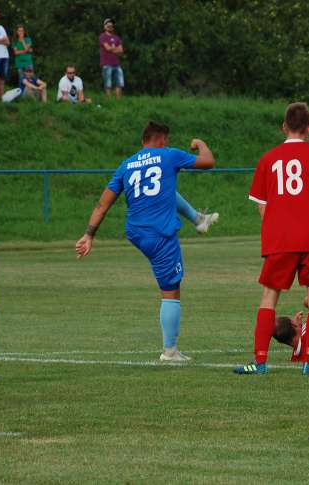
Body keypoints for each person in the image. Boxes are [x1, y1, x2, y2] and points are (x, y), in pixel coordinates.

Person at [75, 121, 215, 361]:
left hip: (137, 233)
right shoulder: (168, 155)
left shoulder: (126, 165)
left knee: (167, 191)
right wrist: (200, 144)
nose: (167, 144)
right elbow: (208, 162)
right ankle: (170, 351)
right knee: (171, 291)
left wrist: (89, 234)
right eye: (166, 141)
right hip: (160, 234)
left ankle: (197, 219)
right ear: (161, 139)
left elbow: (103, 203)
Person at [233, 102, 309, 376]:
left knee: (269, 298)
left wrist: (277, 228)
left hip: (281, 240)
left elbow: (262, 206)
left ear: (284, 127)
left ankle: (260, 362)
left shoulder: (267, 159)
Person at [99, 18, 124, 98]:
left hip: (116, 64)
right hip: (106, 64)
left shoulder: (117, 38)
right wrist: (116, 49)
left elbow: (121, 50)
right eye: (108, 24)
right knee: (108, 83)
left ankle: (118, 101)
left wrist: (112, 49)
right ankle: (109, 101)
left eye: (111, 24)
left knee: (119, 82)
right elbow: (107, 48)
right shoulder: (102, 36)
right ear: (104, 26)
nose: (110, 25)